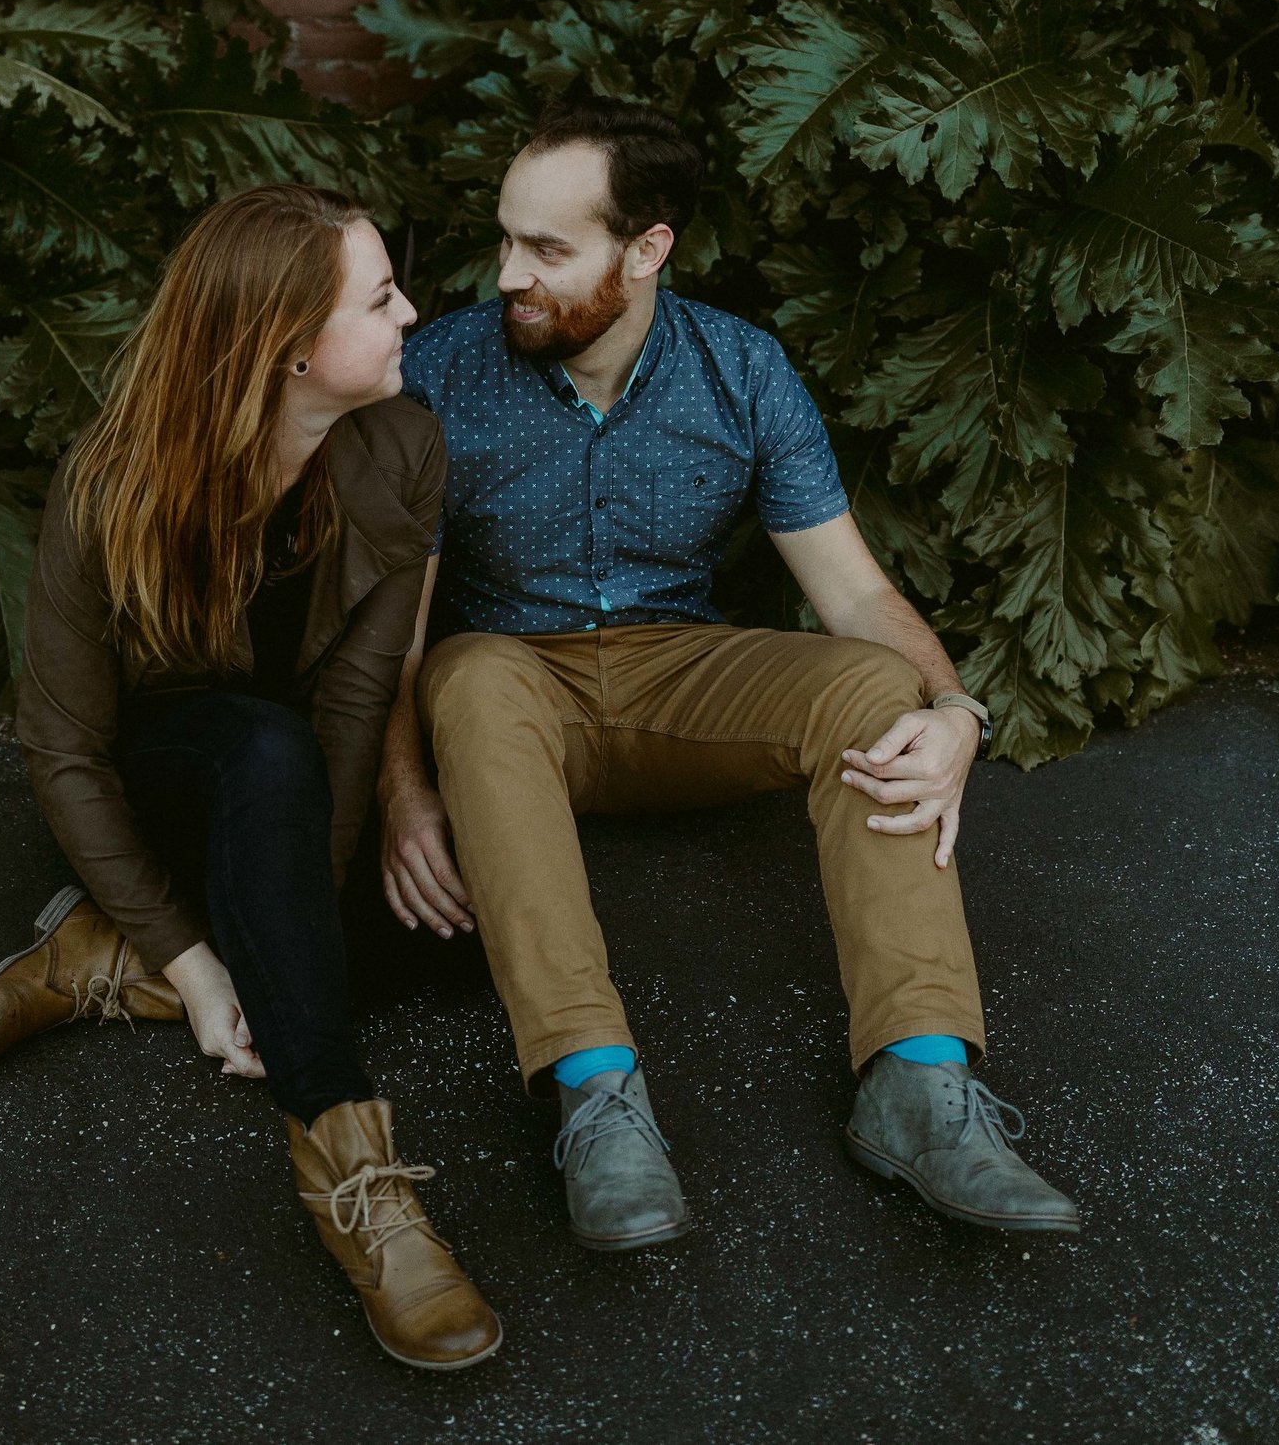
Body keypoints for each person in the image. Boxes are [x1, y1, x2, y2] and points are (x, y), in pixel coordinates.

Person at [378, 100, 1081, 1250]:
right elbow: (396, 631)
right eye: (506, 239)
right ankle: (597, 1098)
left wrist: (955, 710)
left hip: (679, 675)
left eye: (548, 249)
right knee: (468, 678)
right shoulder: (442, 373)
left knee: (875, 687)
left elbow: (854, 595)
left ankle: (916, 1081)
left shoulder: (740, 369)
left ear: (645, 249)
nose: (509, 274)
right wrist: (399, 792)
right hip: (515, 689)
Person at [0, 184, 502, 1371]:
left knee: (458, 934)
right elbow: (64, 749)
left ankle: (102, 959)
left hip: (304, 784)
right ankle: (362, 1189)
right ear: (289, 348)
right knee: (262, 746)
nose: (413, 310)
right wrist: (205, 963)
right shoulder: (110, 483)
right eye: (380, 296)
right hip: (180, 774)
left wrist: (314, 893)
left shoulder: (400, 444)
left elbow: (360, 697)